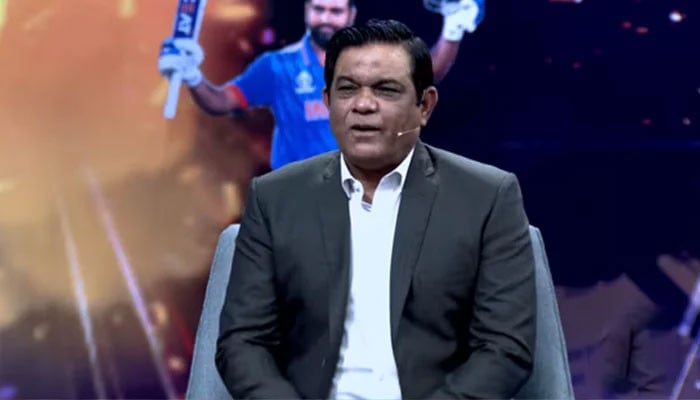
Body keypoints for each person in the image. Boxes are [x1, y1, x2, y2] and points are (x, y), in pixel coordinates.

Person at [215, 19, 535, 399]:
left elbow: (504, 348)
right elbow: (243, 343)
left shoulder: (486, 197)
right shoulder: (275, 198)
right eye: (347, 89)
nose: (363, 105)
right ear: (327, 101)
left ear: (425, 106)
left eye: (386, 90)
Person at [158, 0, 485, 170]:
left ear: (350, 14)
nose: (326, 17)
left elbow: (427, 74)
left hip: (359, 198)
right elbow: (220, 102)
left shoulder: (372, 61)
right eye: (319, 9)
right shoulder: (276, 66)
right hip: (293, 199)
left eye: (335, 10)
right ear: (307, 11)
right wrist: (191, 75)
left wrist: (453, 30)